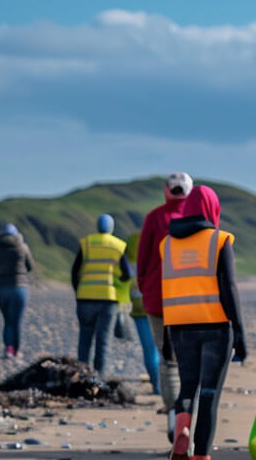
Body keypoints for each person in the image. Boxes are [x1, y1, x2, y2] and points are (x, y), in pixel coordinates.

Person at [162, 186, 247, 460]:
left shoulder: (166, 245)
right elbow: (230, 289)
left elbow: (165, 290)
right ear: (213, 209)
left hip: (179, 327)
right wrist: (239, 333)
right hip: (214, 327)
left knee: (187, 390)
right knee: (209, 398)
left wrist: (166, 337)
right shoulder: (220, 240)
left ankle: (181, 427)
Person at [138, 173, 201, 439]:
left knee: (168, 361)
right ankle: (184, 418)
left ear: (166, 190)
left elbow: (142, 261)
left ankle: (173, 419)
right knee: (188, 362)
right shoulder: (200, 218)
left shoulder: (155, 218)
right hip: (191, 300)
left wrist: (146, 289)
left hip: (159, 298)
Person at [71, 214, 132, 375]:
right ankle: (99, 377)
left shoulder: (87, 243)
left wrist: (78, 290)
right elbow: (127, 274)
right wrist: (117, 280)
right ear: (111, 228)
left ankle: (82, 375)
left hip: (85, 298)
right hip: (108, 299)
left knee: (84, 340)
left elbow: (74, 271)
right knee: (103, 340)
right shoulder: (117, 246)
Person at [0, 223, 34, 358]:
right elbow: (30, 266)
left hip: (2, 289)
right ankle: (16, 351)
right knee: (16, 321)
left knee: (7, 320)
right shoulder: (23, 247)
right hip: (20, 288)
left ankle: (8, 349)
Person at [123, 231, 162, 394]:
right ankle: (163, 386)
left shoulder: (130, 245)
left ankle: (156, 384)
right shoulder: (163, 242)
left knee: (148, 350)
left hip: (138, 304)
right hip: (160, 304)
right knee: (162, 349)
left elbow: (124, 274)